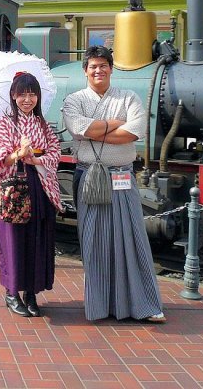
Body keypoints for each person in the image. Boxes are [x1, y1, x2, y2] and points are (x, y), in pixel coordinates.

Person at [61, 45, 166, 324]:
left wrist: (94, 131)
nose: (98, 70)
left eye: (103, 65)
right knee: (94, 241)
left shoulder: (129, 97)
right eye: (93, 66)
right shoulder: (74, 100)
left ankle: (143, 304)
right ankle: (99, 305)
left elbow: (134, 132)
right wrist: (114, 124)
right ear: (85, 70)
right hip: (90, 177)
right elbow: (76, 129)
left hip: (121, 175)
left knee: (132, 237)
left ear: (111, 69)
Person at [0, 71, 64, 317]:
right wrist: (18, 154)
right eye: (22, 94)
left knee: (38, 240)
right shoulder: (4, 123)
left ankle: (31, 292)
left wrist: (36, 157)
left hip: (39, 187)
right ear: (13, 96)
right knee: (13, 241)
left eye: (32, 94)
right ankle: (11, 293)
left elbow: (55, 152)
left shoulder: (43, 125)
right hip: (13, 191)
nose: (28, 99)